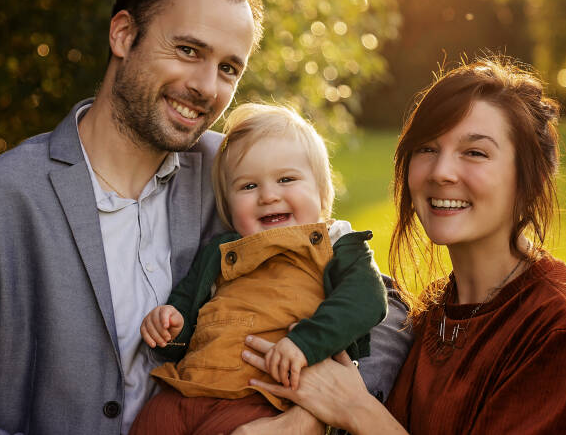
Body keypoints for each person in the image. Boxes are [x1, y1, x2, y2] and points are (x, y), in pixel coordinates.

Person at [0, 0, 412, 435]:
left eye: (229, 68)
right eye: (187, 49)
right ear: (122, 34)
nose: (206, 86)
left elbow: (385, 307)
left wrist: (306, 421)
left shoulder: (241, 174)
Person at [238, 57, 566, 434]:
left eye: (475, 152)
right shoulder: (434, 311)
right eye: (426, 148)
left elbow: (354, 406)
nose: (441, 172)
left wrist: (358, 411)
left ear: (530, 179)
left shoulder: (564, 334)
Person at [131, 103, 388, 435]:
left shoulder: (337, 242)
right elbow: (186, 305)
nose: (268, 196)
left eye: (286, 179)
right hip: (186, 390)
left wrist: (305, 343)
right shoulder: (220, 252)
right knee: (150, 422)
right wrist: (171, 324)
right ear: (227, 206)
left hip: (261, 400)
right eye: (248, 186)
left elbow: (366, 300)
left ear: (322, 193)